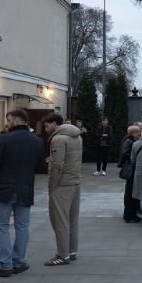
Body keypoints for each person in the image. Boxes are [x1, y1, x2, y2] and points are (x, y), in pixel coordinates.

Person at [0, 108, 45, 276]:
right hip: (25, 190)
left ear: (16, 121)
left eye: (9, 120)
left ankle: (5, 265)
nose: (7, 123)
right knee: (22, 227)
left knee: (2, 227)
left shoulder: (4, 138)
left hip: (2, 191)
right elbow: (40, 167)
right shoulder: (37, 141)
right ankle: (18, 262)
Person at [42, 112, 82, 266]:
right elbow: (71, 159)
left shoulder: (58, 139)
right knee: (72, 220)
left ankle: (62, 255)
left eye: (47, 126)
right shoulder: (77, 136)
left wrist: (52, 185)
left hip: (62, 184)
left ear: (54, 124)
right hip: (75, 181)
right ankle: (71, 252)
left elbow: (58, 166)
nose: (45, 129)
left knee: (60, 221)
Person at [118, 124, 142, 223]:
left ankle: (129, 215)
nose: (140, 134)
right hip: (131, 170)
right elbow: (124, 154)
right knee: (131, 193)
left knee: (130, 192)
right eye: (138, 132)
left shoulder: (129, 140)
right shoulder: (129, 141)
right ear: (133, 133)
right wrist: (135, 156)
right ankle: (130, 215)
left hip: (131, 169)